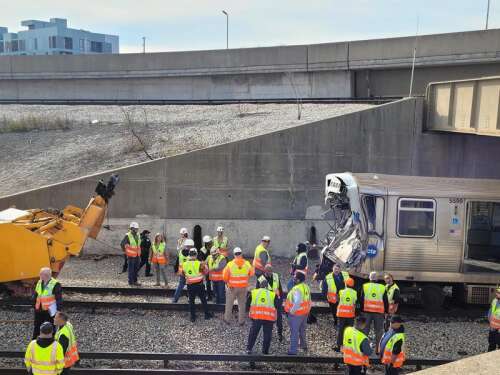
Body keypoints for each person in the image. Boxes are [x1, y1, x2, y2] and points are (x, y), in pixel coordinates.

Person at [223, 247, 254, 325]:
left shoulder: (230, 264)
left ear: (234, 255)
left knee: (229, 304)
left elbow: (224, 277)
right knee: (242, 305)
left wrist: (228, 283)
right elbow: (252, 273)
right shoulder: (247, 264)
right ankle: (241, 321)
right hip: (243, 287)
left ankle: (227, 320)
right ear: (241, 254)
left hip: (232, 288)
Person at [247, 278, 278, 355]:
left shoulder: (254, 292)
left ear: (260, 286)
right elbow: (277, 306)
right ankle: (265, 351)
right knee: (267, 335)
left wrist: (250, 313)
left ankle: (249, 348)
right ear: (267, 287)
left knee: (253, 333)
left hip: (257, 317)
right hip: (269, 318)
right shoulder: (272, 294)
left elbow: (247, 304)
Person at [181, 248, 212, 322]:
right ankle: (207, 315)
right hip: (199, 285)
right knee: (203, 300)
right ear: (196, 255)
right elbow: (206, 272)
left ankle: (193, 317)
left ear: (189, 255)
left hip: (190, 285)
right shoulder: (200, 263)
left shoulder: (184, 264)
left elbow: (183, 273)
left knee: (191, 301)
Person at [360, 271, 388, 353]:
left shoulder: (365, 286)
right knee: (379, 331)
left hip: (366, 312)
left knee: (365, 330)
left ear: (369, 278)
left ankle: (364, 349)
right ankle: (378, 350)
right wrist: (386, 311)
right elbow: (385, 301)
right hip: (379, 312)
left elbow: (361, 299)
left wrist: (361, 311)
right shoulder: (382, 287)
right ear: (377, 279)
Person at [284, 272, 311, 355]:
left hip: (296, 314)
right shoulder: (306, 287)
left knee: (294, 332)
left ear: (299, 279)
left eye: (295, 278)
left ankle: (293, 351)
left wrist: (291, 312)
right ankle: (303, 345)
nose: (294, 279)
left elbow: (297, 302)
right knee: (302, 330)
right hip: (305, 313)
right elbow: (309, 300)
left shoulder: (296, 289)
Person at [33, 267, 62, 339]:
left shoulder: (55, 284)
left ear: (46, 275)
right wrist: (33, 304)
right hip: (39, 309)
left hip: (49, 311)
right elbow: (37, 294)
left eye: (41, 274)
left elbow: (59, 299)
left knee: (50, 326)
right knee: (37, 326)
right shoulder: (39, 282)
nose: (39, 275)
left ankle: (51, 340)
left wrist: (58, 311)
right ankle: (35, 340)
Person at [257, 266, 284, 341]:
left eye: (271, 272)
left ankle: (280, 334)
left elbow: (280, 289)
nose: (270, 273)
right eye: (268, 272)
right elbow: (257, 292)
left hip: (277, 301)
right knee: (268, 320)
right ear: (264, 271)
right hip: (267, 303)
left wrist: (281, 299)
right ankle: (268, 334)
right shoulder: (261, 279)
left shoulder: (275, 276)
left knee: (279, 319)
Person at [335, 277, 357, 352]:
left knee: (341, 330)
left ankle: (339, 346)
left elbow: (337, 300)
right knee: (349, 331)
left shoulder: (341, 292)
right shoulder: (355, 292)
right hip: (350, 315)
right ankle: (348, 345)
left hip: (341, 314)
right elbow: (354, 303)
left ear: (346, 284)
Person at [120, 222, 141, 287]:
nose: (137, 229)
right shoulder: (128, 235)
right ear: (132, 228)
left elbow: (138, 244)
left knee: (136, 268)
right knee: (131, 269)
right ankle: (131, 281)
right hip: (131, 255)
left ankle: (135, 281)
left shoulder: (137, 235)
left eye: (137, 228)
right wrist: (126, 252)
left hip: (137, 254)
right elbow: (122, 244)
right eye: (136, 228)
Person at [173, 238, 194, 302]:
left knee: (180, 286)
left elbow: (176, 262)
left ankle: (175, 299)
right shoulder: (192, 253)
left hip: (181, 272)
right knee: (190, 286)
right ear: (191, 246)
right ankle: (190, 299)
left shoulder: (180, 252)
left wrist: (175, 270)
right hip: (189, 273)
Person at [201, 235, 213, 299]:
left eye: (210, 242)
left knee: (214, 282)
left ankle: (214, 295)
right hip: (207, 268)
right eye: (208, 242)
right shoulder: (203, 250)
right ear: (205, 243)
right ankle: (209, 296)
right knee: (208, 282)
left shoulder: (213, 248)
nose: (210, 243)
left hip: (213, 267)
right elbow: (202, 260)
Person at [488, 286, 500, 351]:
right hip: (492, 328)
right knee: (491, 344)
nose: (497, 294)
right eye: (497, 292)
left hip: (499, 330)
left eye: (499, 292)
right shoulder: (495, 301)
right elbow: (490, 311)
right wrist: (490, 320)